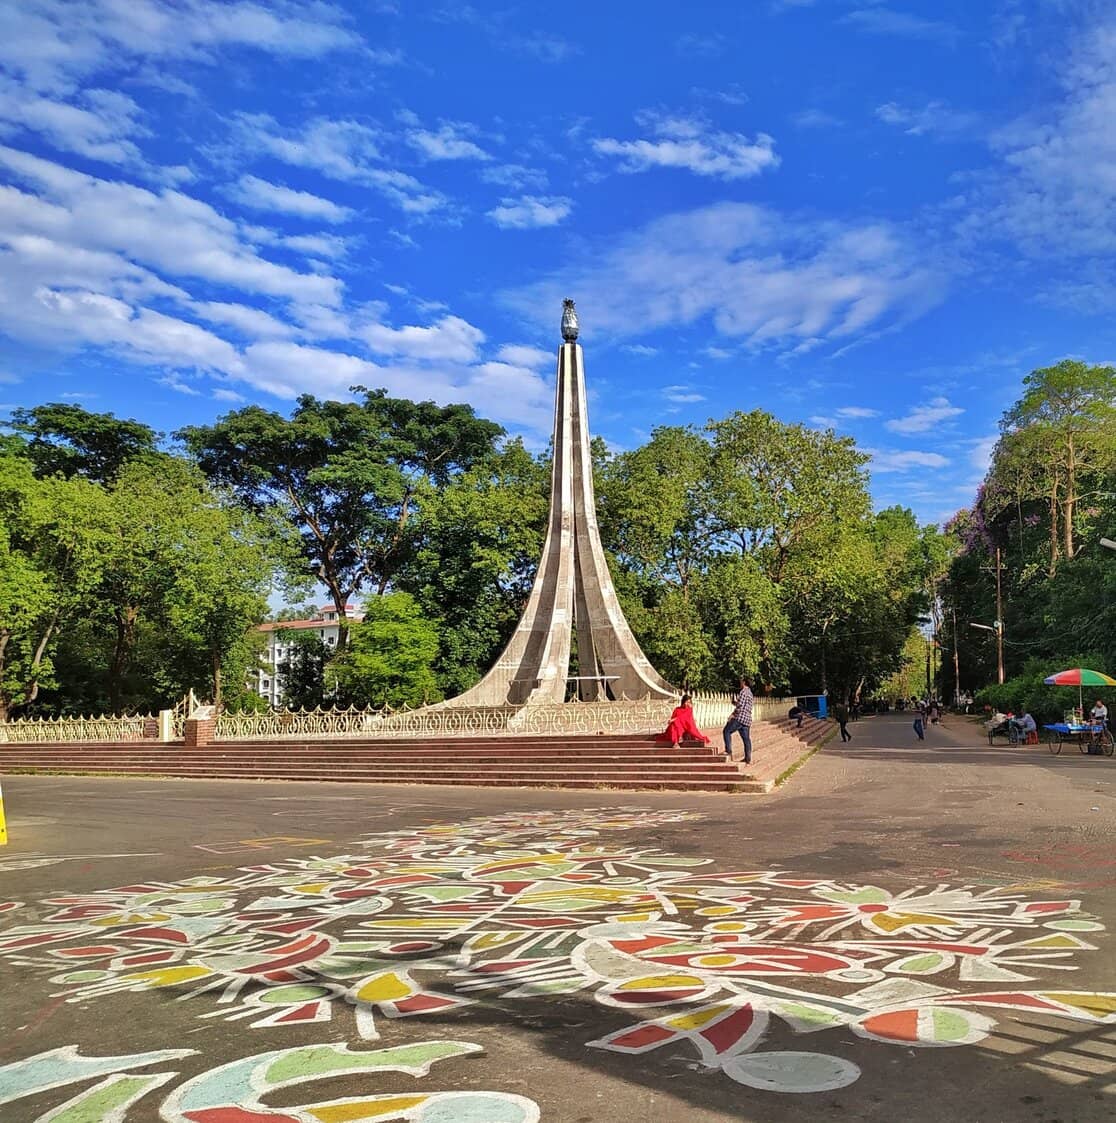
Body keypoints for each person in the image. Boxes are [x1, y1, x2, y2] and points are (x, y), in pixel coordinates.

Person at [723, 676, 754, 764]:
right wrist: (734, 703)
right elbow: (743, 704)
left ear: (744, 682)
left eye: (741, 681)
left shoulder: (743, 692)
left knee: (726, 731)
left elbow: (740, 707)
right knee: (746, 739)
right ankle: (748, 758)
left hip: (740, 718)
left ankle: (728, 751)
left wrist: (732, 715)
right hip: (747, 719)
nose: (740, 683)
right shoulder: (750, 693)